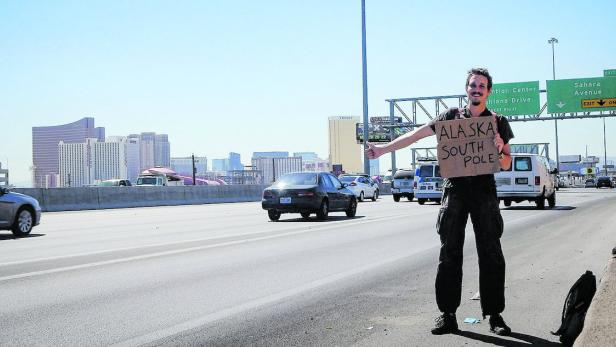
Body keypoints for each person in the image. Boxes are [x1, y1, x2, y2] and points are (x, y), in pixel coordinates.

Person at [366, 68, 514, 336]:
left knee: (491, 252)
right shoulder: (450, 118)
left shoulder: (498, 121)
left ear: (488, 91)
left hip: (483, 192)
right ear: (466, 89)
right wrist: (382, 150)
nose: (476, 90)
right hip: (455, 190)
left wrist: (500, 145)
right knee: (449, 252)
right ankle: (447, 315)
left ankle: (495, 315)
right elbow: (415, 135)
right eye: (472, 85)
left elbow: (505, 163)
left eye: (482, 86)